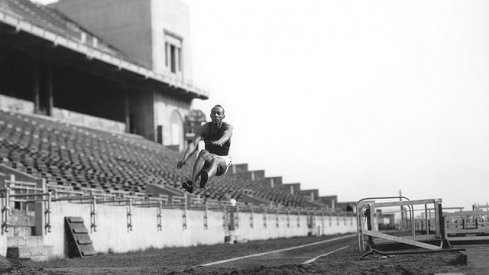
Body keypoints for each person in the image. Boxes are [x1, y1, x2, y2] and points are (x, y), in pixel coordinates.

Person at [177, 105, 233, 193]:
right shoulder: (205, 128)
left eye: (219, 113)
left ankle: (206, 175)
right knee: (203, 152)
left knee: (216, 160)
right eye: (214, 113)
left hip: (223, 160)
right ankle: (192, 184)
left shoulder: (227, 127)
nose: (216, 115)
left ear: (223, 116)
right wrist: (185, 158)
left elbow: (227, 135)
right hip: (209, 158)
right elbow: (193, 144)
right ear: (210, 116)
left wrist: (219, 142)